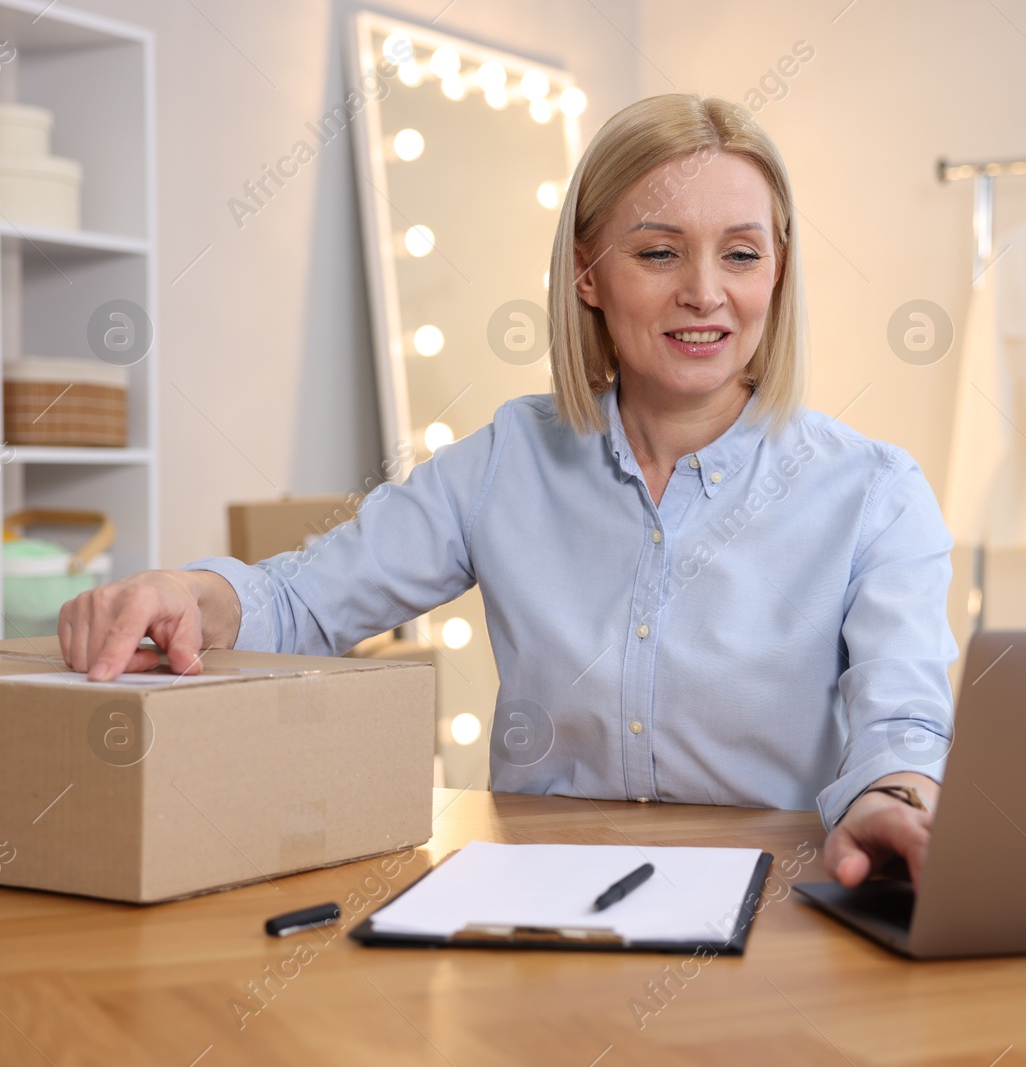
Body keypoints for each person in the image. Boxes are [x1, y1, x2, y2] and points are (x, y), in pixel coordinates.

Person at [58, 94, 957, 890]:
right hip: (539, 905)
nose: (705, 293)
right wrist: (187, 594)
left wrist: (894, 796)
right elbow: (301, 601)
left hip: (779, 904)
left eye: (741, 254)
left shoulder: (874, 494)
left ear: (779, 271)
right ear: (587, 272)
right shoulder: (507, 461)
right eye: (658, 251)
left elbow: (904, 718)